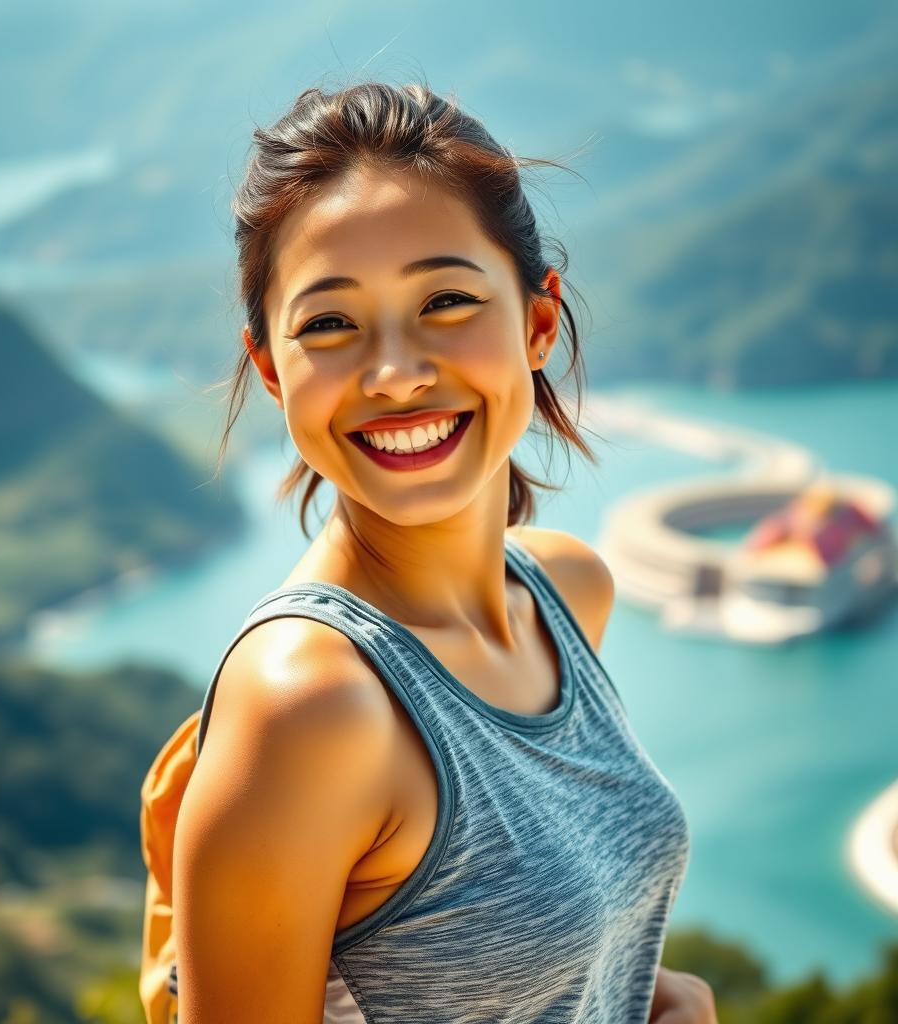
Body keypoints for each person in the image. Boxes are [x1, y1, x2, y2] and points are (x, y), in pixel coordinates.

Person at [170, 77, 716, 1024]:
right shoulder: (308, 705)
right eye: (330, 323)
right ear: (270, 367)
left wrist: (661, 998)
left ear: (538, 322)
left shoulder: (567, 591)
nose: (395, 373)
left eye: (448, 301)